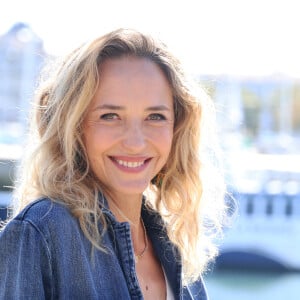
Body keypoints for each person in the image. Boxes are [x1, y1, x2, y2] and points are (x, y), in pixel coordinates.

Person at [0, 28, 227, 299]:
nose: (135, 142)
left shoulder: (173, 244)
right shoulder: (41, 232)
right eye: (110, 116)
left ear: (177, 128)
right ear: (73, 127)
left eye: (155, 116)